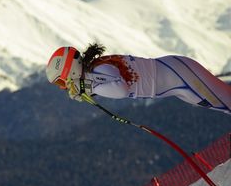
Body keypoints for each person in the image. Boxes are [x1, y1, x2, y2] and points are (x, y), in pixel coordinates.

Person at [46, 43, 231, 114]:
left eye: (61, 82)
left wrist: (89, 88)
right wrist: (88, 88)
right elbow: (108, 85)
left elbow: (121, 90)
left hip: (180, 74)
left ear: (70, 71)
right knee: (223, 105)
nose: (64, 87)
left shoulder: (100, 68)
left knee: (226, 103)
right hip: (178, 81)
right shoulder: (94, 71)